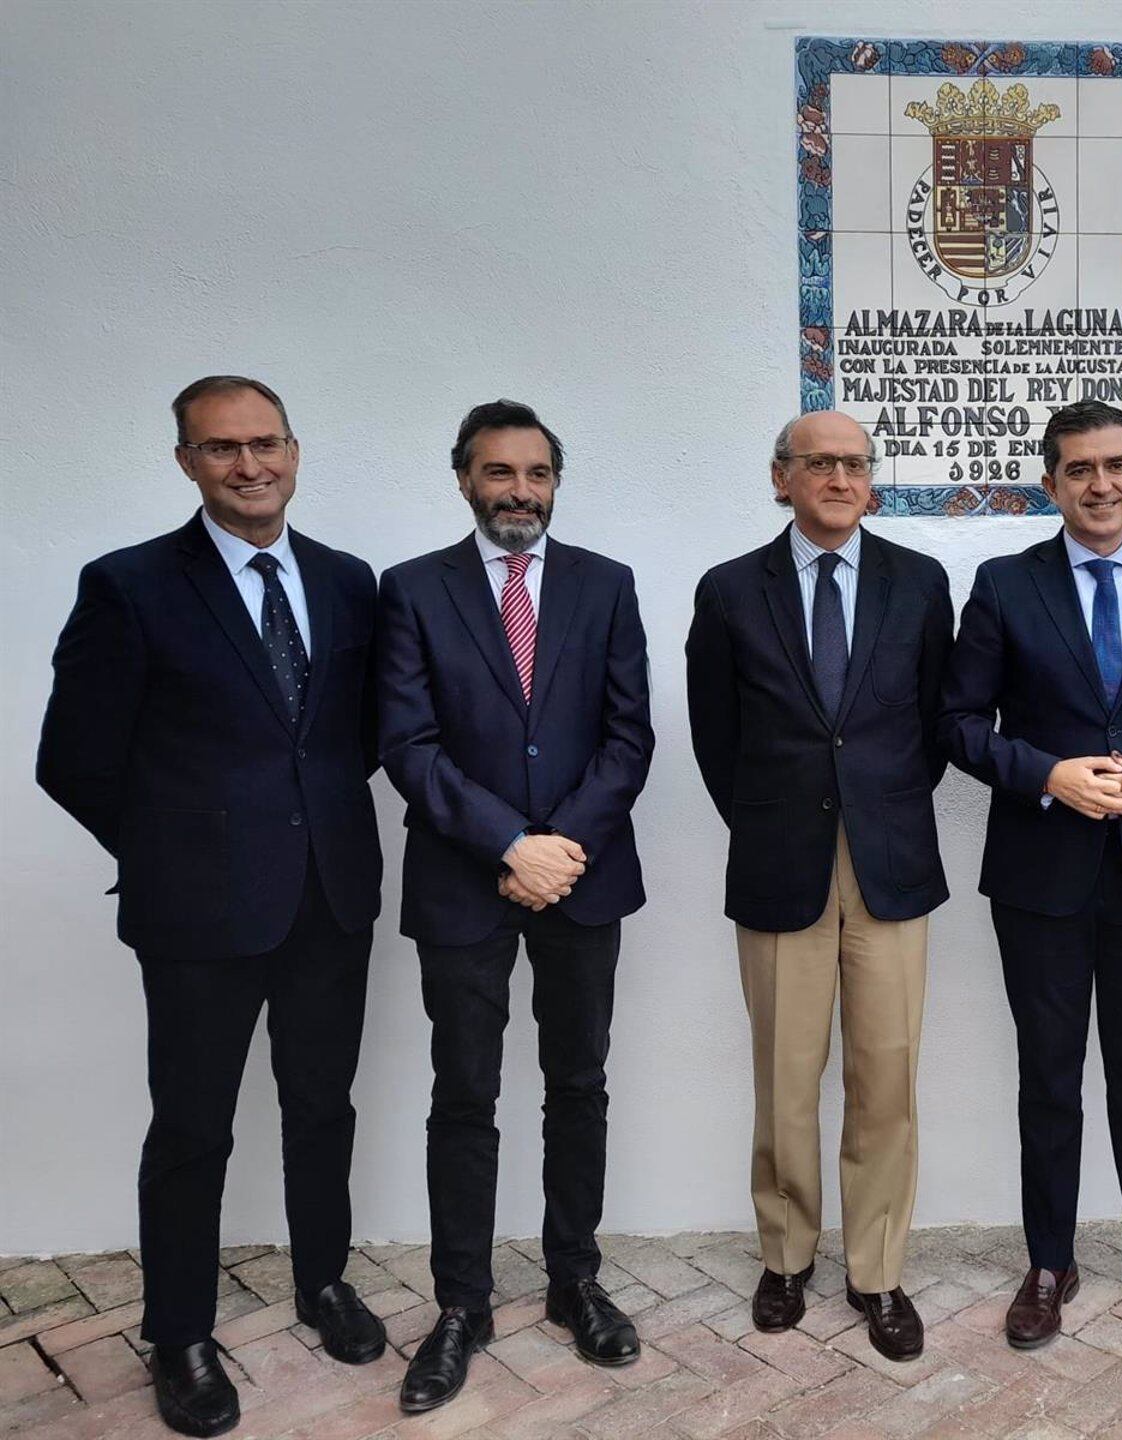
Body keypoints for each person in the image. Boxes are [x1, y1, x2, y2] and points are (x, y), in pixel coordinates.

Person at [37, 376, 386, 1437]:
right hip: (197, 916)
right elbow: (73, 760)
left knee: (323, 1108)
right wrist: (179, 851)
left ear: (294, 449)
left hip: (329, 894)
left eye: (266, 444)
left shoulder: (347, 580)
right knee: (194, 1127)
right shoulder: (131, 585)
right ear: (187, 461)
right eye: (223, 448)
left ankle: (321, 1282)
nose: (250, 466)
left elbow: (352, 736)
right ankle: (179, 1333)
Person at [377, 400, 654, 1410]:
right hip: (465, 881)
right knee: (465, 1094)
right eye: (500, 472)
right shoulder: (410, 591)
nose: (520, 490)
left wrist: (559, 850)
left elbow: (630, 738)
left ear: (555, 482)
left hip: (581, 881)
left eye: (537, 473)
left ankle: (575, 1281)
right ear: (463, 479)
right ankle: (461, 1305)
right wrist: (506, 843)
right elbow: (407, 743)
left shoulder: (606, 587)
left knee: (578, 1082)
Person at [938, 399, 1122, 1350]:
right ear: (1050, 482)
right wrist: (1046, 775)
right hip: (1041, 872)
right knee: (1049, 1078)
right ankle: (1049, 1263)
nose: (1101, 484)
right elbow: (960, 724)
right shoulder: (1004, 584)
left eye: (1116, 465)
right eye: (1080, 470)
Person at [685, 411, 953, 1362]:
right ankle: (786, 1256)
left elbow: (929, 725)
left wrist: (870, 811)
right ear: (780, 478)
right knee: (786, 1081)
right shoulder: (728, 592)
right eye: (819, 464)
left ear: (869, 481)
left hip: (890, 866)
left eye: (853, 464)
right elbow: (715, 739)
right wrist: (774, 819)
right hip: (779, 865)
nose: (838, 477)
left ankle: (878, 1272)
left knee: (888, 1079)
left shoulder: (920, 584)